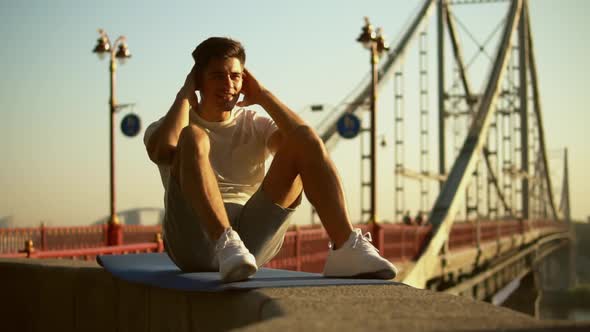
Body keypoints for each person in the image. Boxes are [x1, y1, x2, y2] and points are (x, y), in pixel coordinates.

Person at [144, 37, 397, 283]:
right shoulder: (172, 126)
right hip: (193, 242)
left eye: (235, 76)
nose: (228, 84)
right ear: (199, 80)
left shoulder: (255, 124)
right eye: (218, 76)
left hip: (250, 244)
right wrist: (185, 96)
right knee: (194, 136)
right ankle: (225, 240)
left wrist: (263, 95)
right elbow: (162, 151)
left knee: (302, 137)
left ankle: (345, 247)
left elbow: (307, 144)